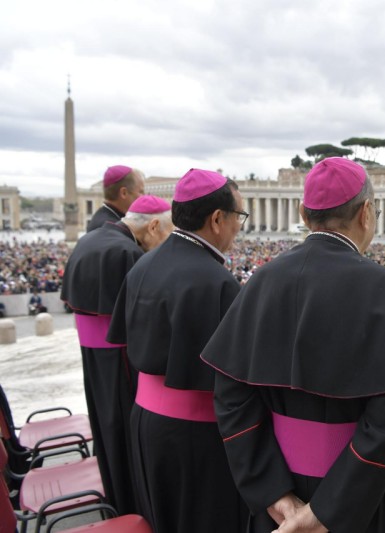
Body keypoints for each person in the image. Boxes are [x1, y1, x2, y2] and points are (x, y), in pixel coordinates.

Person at [200, 157, 385, 532]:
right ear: (366, 213)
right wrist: (326, 511)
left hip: (279, 493)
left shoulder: (261, 282)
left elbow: (230, 396)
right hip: (363, 495)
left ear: (303, 214)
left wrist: (272, 491)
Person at [107, 169, 248, 532]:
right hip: (194, 436)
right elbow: (236, 380)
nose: (238, 227)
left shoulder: (143, 263)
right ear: (216, 219)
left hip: (144, 422)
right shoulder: (217, 282)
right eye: (238, 217)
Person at [61, 195, 172, 515]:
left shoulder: (91, 237)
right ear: (153, 226)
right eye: (167, 233)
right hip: (121, 361)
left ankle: (116, 501)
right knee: (125, 436)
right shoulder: (127, 253)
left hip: (95, 358)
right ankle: (134, 509)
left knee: (107, 431)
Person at [86, 165, 146, 232]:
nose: (144, 196)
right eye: (141, 192)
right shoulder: (112, 228)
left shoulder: (108, 219)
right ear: (124, 193)